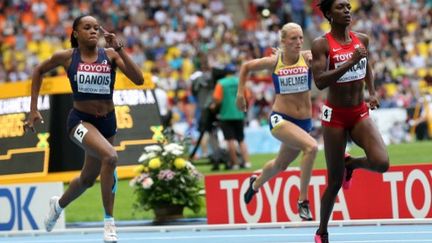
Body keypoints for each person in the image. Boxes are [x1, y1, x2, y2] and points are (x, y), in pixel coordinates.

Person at [25, 15, 144, 243]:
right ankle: (109, 222)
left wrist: (120, 50)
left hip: (107, 121)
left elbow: (138, 79)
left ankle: (58, 206)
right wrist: (33, 109)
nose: (92, 31)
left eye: (95, 28)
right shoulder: (67, 57)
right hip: (79, 121)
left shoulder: (110, 56)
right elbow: (38, 70)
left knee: (87, 179)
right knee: (110, 157)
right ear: (76, 33)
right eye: (86, 27)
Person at [311, 1, 390, 242]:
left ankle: (351, 165)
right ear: (328, 14)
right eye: (340, 7)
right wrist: (350, 62)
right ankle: (322, 231)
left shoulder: (362, 39)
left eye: (348, 6)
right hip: (334, 116)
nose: (347, 10)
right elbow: (320, 81)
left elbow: (367, 67)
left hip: (358, 112)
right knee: (334, 183)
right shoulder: (321, 44)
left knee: (382, 162)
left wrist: (372, 91)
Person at [237, 22, 318, 221]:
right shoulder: (275, 61)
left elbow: (330, 57)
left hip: (303, 123)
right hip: (281, 119)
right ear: (283, 41)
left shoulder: (308, 57)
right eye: (293, 38)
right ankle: (303, 201)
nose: (298, 42)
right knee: (312, 147)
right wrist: (241, 94)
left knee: (280, 165)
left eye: (300, 38)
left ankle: (255, 184)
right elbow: (246, 66)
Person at [212, 64, 251, 170]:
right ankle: (247, 162)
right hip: (239, 114)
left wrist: (215, 107)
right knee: (241, 140)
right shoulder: (240, 81)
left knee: (230, 140)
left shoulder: (221, 83)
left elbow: (217, 99)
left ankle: (235, 163)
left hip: (226, 115)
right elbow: (247, 96)